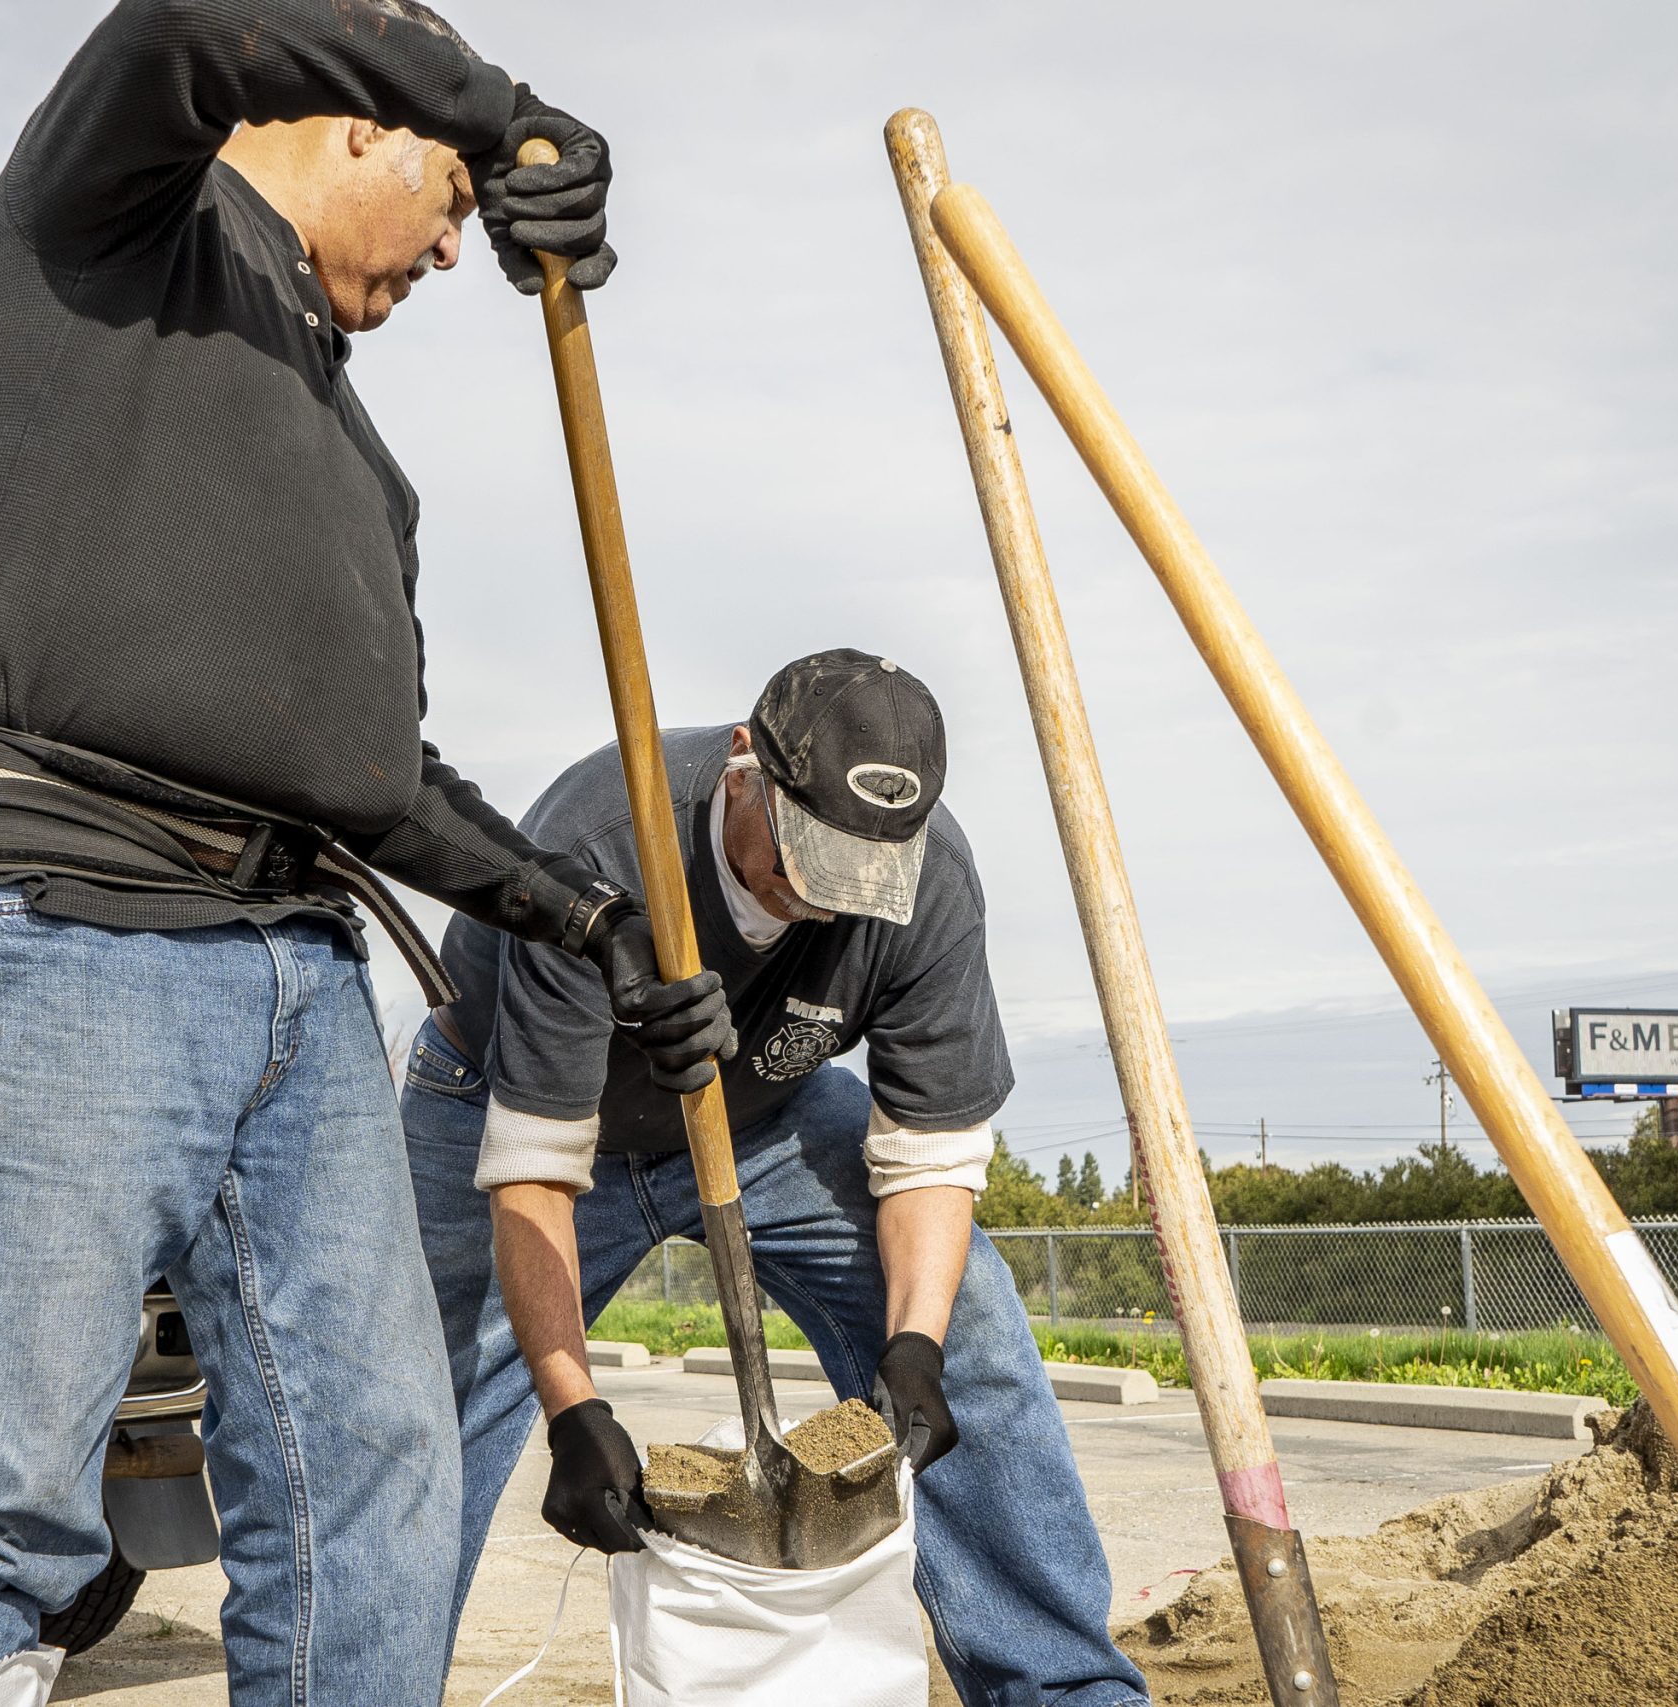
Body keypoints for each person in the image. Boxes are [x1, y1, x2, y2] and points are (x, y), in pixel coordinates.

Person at [0, 5, 734, 1705]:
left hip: (298, 969)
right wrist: (510, 112)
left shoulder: (364, 470)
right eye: (452, 191)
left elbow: (375, 777)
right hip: (61, 928)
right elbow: (192, 19)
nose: (464, 243)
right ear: (361, 117)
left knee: (375, 1477)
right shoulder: (107, 223)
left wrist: (585, 918)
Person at [405, 650, 1153, 1707]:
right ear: (747, 765)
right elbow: (532, 1172)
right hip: (499, 1104)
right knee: (413, 1411)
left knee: (971, 1327)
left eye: (853, 873)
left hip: (760, 1112)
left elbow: (930, 1156)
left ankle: (1063, 1689)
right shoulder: (602, 844)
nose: (816, 900)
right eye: (802, 859)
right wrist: (571, 1407)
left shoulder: (928, 883)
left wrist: (916, 1348)